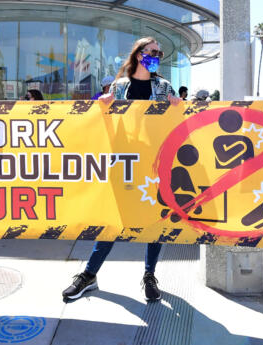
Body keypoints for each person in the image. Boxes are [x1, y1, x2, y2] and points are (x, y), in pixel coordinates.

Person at [62, 36, 182, 303]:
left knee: (154, 221)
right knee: (112, 221)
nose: (157, 56)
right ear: (139, 54)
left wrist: (177, 107)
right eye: (153, 51)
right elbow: (107, 126)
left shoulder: (164, 87)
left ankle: (149, 275)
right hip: (124, 163)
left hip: (153, 164)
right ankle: (89, 275)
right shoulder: (118, 88)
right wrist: (103, 109)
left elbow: (176, 124)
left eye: (159, 53)